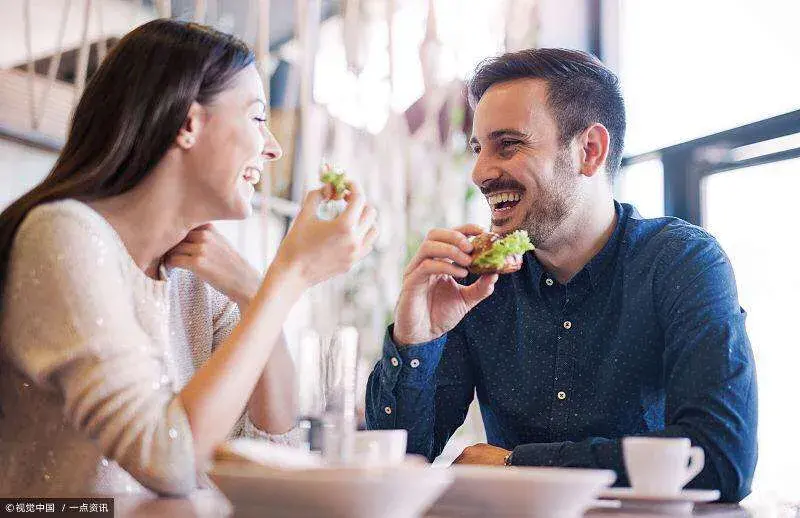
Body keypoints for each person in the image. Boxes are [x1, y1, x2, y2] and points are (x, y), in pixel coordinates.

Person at [0, 20, 377, 497]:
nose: (274, 147)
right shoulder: (61, 235)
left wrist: (254, 290)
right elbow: (169, 460)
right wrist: (290, 276)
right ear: (188, 123)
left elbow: (273, 444)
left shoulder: (196, 277)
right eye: (258, 118)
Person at [365, 48, 756, 503]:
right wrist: (416, 340)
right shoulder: (474, 283)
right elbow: (394, 465)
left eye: (507, 144)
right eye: (477, 148)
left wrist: (518, 465)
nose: (480, 172)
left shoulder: (681, 262)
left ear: (589, 151)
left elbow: (723, 459)